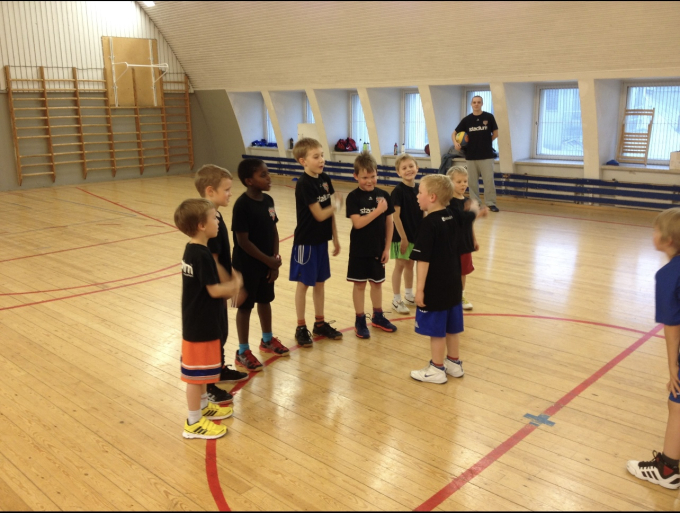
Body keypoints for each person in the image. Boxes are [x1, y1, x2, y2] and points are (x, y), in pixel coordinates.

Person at [174, 198, 242, 439]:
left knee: (203, 373)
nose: (218, 221)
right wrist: (234, 285)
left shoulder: (194, 250)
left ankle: (203, 408)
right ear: (202, 226)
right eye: (214, 218)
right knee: (195, 378)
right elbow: (214, 290)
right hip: (199, 327)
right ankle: (193, 422)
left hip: (202, 323)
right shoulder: (200, 255)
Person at [409, 175, 486, 384]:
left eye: (420, 192)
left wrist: (419, 289)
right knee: (452, 327)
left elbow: (423, 260)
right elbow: (468, 216)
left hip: (436, 287)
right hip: (454, 285)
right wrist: (475, 210)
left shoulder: (428, 224)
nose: (417, 196)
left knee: (437, 331)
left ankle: (436, 368)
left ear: (432, 197)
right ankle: (454, 363)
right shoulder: (452, 214)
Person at [627, 208, 680, 489]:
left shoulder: (669, 274)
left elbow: (672, 326)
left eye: (655, 230)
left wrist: (673, 368)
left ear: (668, 240)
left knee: (677, 403)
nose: (652, 234)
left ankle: (668, 470)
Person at [194, 165, 249, 405]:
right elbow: (214, 260)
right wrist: (232, 284)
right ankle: (208, 384)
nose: (230, 193)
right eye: (226, 190)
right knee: (213, 334)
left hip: (220, 288)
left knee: (221, 331)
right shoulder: (208, 219)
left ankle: (219, 368)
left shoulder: (215, 214)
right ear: (210, 190)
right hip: (212, 289)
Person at [231, 158, 289, 371]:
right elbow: (243, 242)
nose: (268, 177)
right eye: (262, 175)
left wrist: (274, 261)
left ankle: (267, 340)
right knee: (245, 307)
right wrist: (268, 261)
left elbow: (273, 230)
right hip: (246, 266)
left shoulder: (268, 201)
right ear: (249, 181)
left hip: (266, 262)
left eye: (268, 173)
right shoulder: (242, 205)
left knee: (265, 300)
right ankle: (242, 351)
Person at [289, 138, 344, 347]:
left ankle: (319, 324)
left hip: (321, 241)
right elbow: (320, 214)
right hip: (306, 243)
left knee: (320, 283)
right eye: (316, 156)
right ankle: (300, 327)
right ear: (303, 161)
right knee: (304, 284)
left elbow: (329, 214)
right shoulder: (304, 184)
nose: (321, 160)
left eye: (322, 155)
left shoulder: (324, 179)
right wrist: (337, 205)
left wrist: (335, 237)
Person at [346, 151, 398, 338]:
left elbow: (389, 223)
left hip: (378, 249)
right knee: (360, 285)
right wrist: (378, 210)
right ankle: (360, 320)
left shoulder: (383, 195)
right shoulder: (353, 197)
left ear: (377, 173)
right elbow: (358, 223)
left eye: (373, 176)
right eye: (364, 177)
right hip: (359, 250)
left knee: (377, 284)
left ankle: (378, 316)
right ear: (356, 176)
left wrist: (387, 248)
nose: (369, 181)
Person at [452, 95, 500, 212]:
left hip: (486, 155)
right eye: (474, 102)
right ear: (471, 104)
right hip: (471, 156)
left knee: (488, 181)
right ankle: (475, 203)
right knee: (472, 182)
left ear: (482, 104)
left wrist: (486, 141)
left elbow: (496, 133)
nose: (476, 104)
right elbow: (454, 133)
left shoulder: (489, 117)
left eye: (479, 102)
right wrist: (456, 143)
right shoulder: (467, 120)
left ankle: (491, 203)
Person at [447, 166, 483, 310]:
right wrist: (476, 213)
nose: (463, 184)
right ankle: (450, 294)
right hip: (452, 244)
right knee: (451, 271)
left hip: (465, 242)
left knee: (463, 271)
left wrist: (473, 239)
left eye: (465, 181)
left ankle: (460, 296)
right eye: (459, 182)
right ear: (450, 182)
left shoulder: (467, 201)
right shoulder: (448, 202)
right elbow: (459, 220)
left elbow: (469, 222)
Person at [390, 153, 422, 315]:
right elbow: (395, 217)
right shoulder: (398, 191)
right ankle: (396, 299)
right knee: (400, 265)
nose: (408, 170)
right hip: (401, 236)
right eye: (404, 168)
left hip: (415, 236)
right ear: (398, 172)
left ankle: (409, 295)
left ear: (417, 168)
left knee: (410, 264)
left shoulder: (420, 189)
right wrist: (403, 237)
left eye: (411, 166)